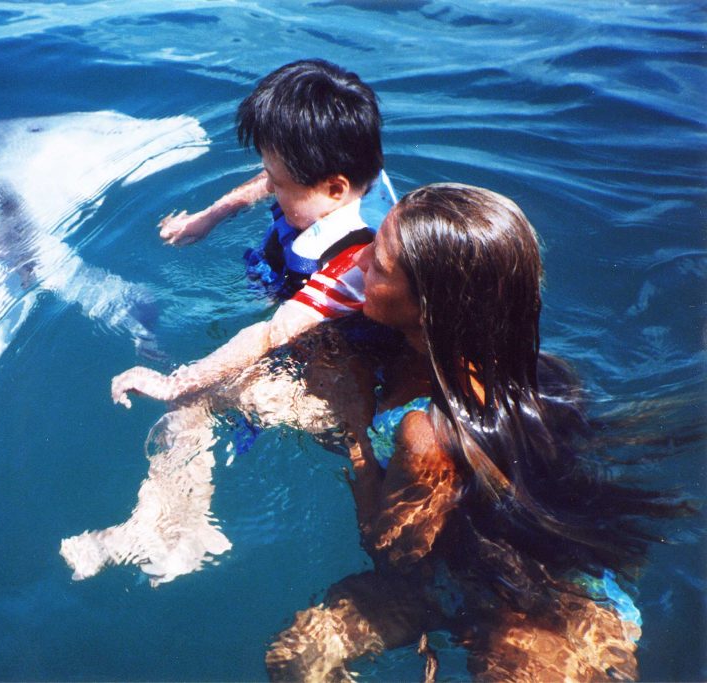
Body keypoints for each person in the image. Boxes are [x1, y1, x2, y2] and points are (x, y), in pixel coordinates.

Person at [263, 183, 688, 681]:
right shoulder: (545, 374)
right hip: (466, 580)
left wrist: (355, 424)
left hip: (542, 620)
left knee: (298, 658)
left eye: (377, 265)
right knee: (297, 657)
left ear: (429, 309)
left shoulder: (426, 436)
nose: (356, 266)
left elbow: (392, 549)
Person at [61, 60, 398, 585]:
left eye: (283, 184)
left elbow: (269, 333)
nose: (272, 188)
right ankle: (165, 525)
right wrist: (211, 216)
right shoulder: (354, 177)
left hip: (353, 381)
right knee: (200, 400)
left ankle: (176, 529)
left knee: (194, 400)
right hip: (316, 336)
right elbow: (268, 179)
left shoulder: (357, 262)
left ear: (335, 189)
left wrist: (177, 381)